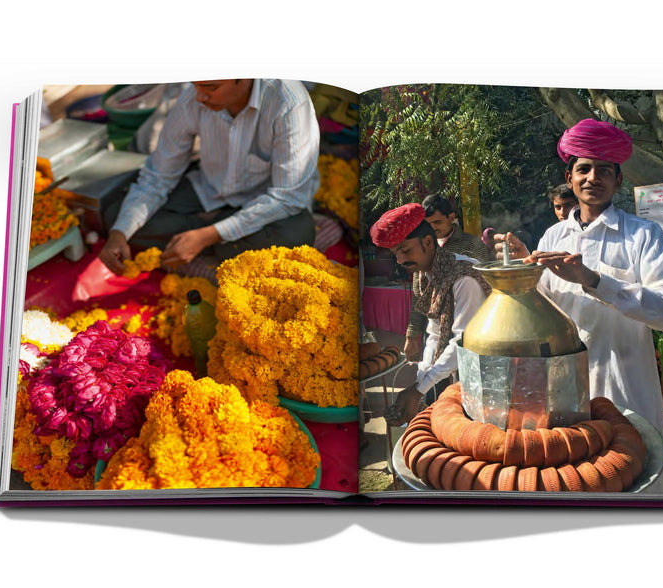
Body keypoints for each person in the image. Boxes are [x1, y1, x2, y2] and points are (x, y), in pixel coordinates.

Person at [496, 118, 663, 492]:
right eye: (583, 168)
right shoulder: (554, 235)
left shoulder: (642, 236)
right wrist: (526, 273)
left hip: (625, 381)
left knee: (639, 475)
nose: (592, 177)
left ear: (618, 181)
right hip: (567, 387)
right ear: (569, 178)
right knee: (577, 477)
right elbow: (546, 310)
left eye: (604, 170)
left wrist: (595, 280)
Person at [99, 79, 319, 276]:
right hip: (209, 189)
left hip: (267, 205)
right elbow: (158, 175)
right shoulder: (192, 99)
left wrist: (208, 234)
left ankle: (203, 239)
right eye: (196, 85)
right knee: (116, 217)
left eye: (210, 88)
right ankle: (219, 243)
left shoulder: (288, 102)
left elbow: (288, 197)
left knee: (297, 234)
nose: (200, 97)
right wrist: (119, 234)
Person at [370, 203, 490, 426]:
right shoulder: (426, 273)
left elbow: (465, 341)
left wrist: (419, 389)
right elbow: (434, 333)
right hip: (460, 366)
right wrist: (422, 381)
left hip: (487, 370)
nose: (400, 261)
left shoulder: (464, 277)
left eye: (405, 250)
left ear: (428, 242)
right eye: (396, 253)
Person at [403, 194, 492, 362]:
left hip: (469, 329)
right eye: (427, 224)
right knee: (432, 376)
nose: (432, 228)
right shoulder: (422, 249)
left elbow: (486, 286)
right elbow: (419, 296)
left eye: (437, 222)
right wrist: (412, 335)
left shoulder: (472, 245)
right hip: (434, 331)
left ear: (451, 218)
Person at [497, 183, 578, 261]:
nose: (562, 212)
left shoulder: (589, 229)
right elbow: (541, 270)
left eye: (568, 205)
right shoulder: (551, 234)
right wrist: (525, 258)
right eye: (558, 207)